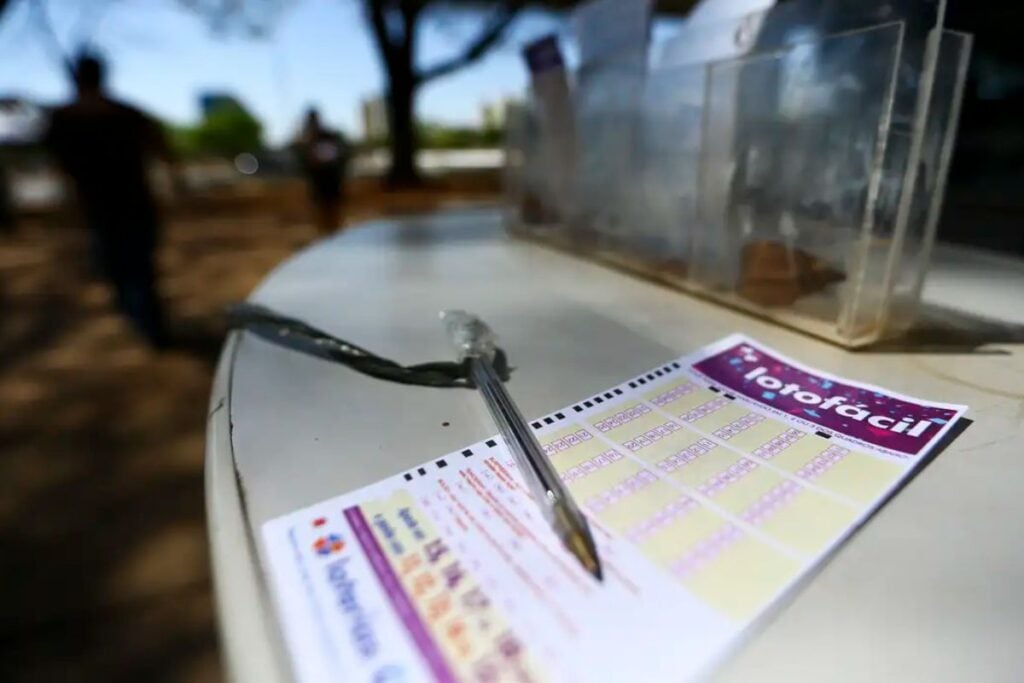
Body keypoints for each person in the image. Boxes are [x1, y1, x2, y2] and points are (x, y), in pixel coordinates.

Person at [44, 53, 176, 347]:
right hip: (131, 206)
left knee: (125, 270)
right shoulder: (125, 114)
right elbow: (164, 151)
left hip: (101, 210)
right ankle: (148, 324)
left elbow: (60, 170)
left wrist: (67, 208)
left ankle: (145, 323)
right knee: (137, 270)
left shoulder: (63, 120)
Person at [296, 108, 350, 233]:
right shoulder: (307, 139)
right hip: (318, 180)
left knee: (333, 209)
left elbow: (339, 154)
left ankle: (335, 232)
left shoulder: (328, 136)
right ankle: (325, 234)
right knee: (321, 209)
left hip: (331, 177)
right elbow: (305, 162)